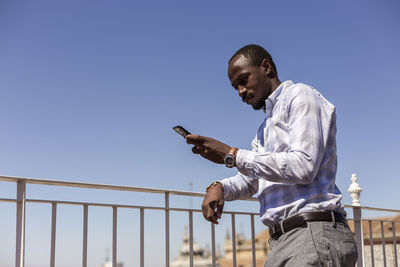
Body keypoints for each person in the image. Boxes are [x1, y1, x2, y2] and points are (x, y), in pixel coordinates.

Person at [185, 44, 358, 267]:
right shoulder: (264, 130)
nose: (240, 91)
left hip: (311, 234)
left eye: (243, 80)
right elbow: (253, 181)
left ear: (266, 67)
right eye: (235, 87)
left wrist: (231, 155)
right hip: (282, 241)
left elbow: (303, 166)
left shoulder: (300, 96)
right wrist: (220, 186)